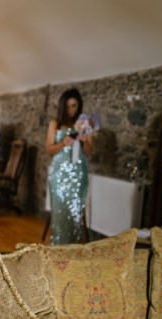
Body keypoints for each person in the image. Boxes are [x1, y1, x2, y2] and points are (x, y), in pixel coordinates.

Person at [46, 88, 94, 245]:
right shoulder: (55, 123)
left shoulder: (84, 123)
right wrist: (62, 143)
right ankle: (56, 250)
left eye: (74, 106)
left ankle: (72, 251)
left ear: (79, 106)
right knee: (60, 213)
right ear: (62, 106)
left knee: (74, 214)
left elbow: (88, 152)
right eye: (68, 106)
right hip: (59, 175)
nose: (71, 110)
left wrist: (85, 139)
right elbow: (48, 150)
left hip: (78, 175)